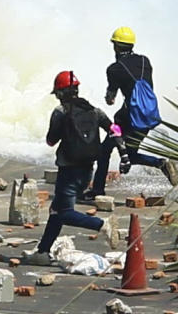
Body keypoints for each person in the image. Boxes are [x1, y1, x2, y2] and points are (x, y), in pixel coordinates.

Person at [22, 71, 127, 265]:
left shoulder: (60, 112)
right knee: (56, 210)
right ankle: (43, 253)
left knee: (63, 213)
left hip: (68, 171)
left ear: (61, 93)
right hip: (88, 170)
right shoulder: (94, 111)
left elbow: (50, 141)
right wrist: (123, 152)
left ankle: (103, 225)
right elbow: (114, 129)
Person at [85, 27, 178, 200]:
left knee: (104, 151)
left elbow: (111, 98)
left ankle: (97, 190)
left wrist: (109, 97)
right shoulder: (145, 61)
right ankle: (161, 163)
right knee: (131, 153)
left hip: (129, 118)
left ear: (116, 46)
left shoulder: (114, 69)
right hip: (148, 115)